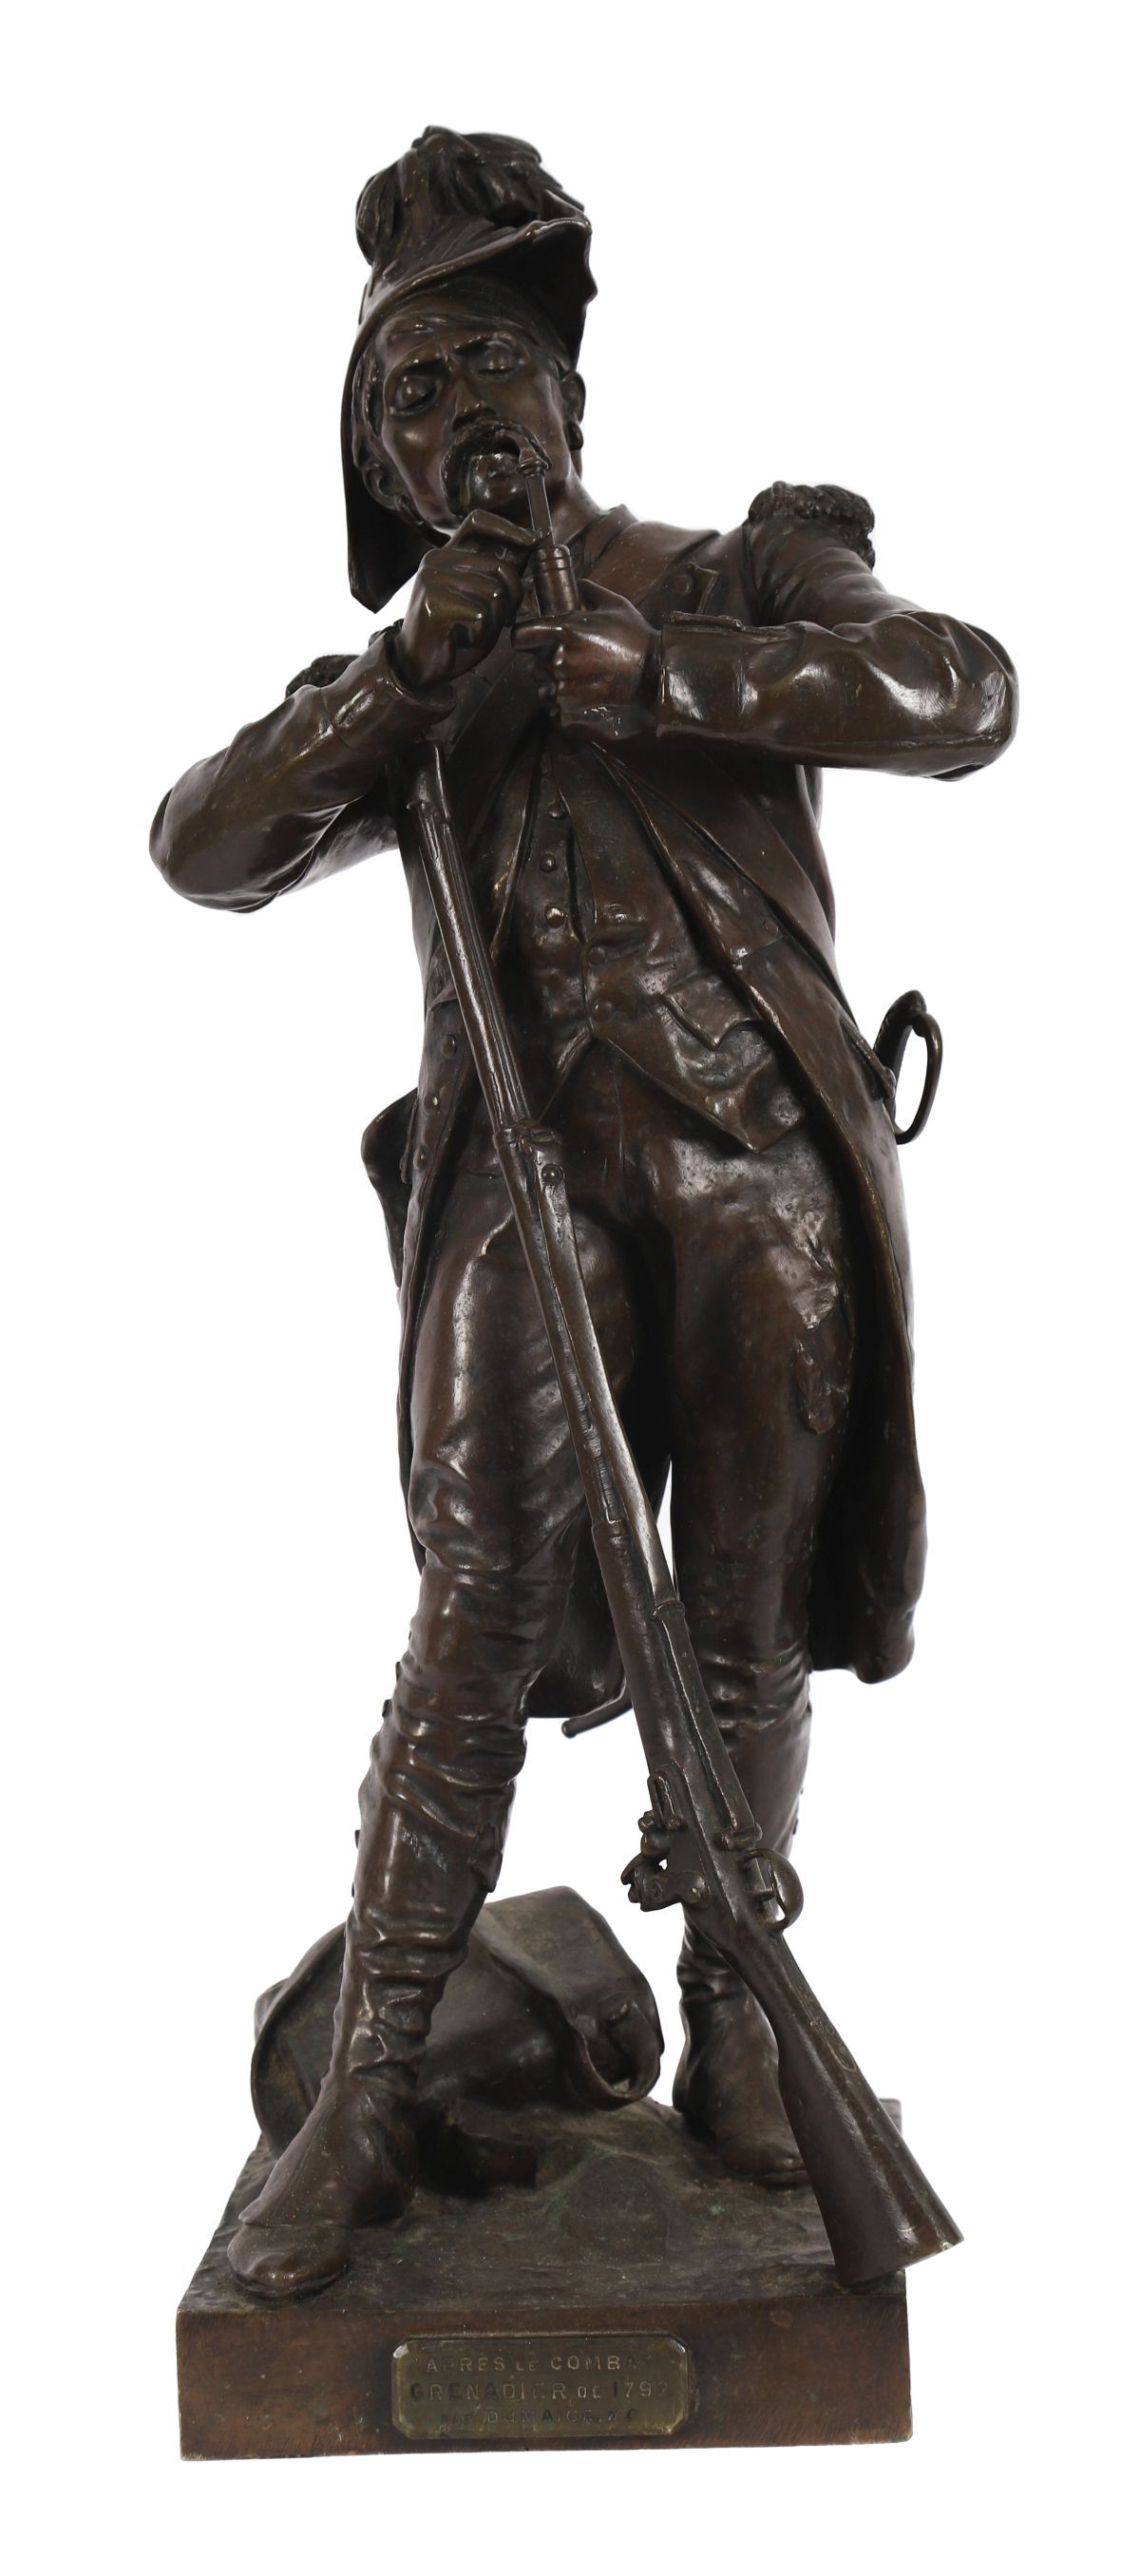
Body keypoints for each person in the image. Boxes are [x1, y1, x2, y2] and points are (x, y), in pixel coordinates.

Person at [152, 127, 1016, 2298]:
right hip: (518, 1188)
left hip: (758, 1176)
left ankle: (740, 2025)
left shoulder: (748, 569)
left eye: (483, 368)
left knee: (744, 1612)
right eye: (406, 398)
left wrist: (673, 677)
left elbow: (962, 690)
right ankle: (362, 2096)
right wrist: (398, 686)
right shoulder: (410, 678)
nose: (454, 415)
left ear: (567, 391)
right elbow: (199, 848)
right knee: (470, 1606)